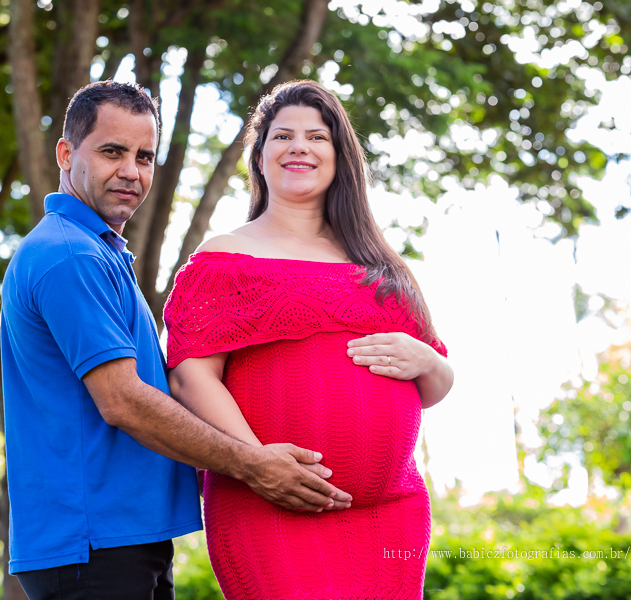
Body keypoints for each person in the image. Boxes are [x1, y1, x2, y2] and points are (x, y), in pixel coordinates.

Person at [0, 80, 352, 600]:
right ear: (66, 153)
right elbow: (123, 400)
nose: (131, 171)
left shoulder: (96, 252)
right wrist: (254, 466)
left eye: (145, 157)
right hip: (92, 545)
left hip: (121, 540)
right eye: (112, 152)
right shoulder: (68, 255)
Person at [163, 80, 454, 599]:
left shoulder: (380, 267)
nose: (299, 146)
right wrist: (260, 466)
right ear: (259, 157)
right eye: (282, 136)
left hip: (391, 511)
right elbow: (189, 378)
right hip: (267, 503)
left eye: (317, 137)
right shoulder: (225, 257)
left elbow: (434, 386)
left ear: (341, 157)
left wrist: (427, 360)